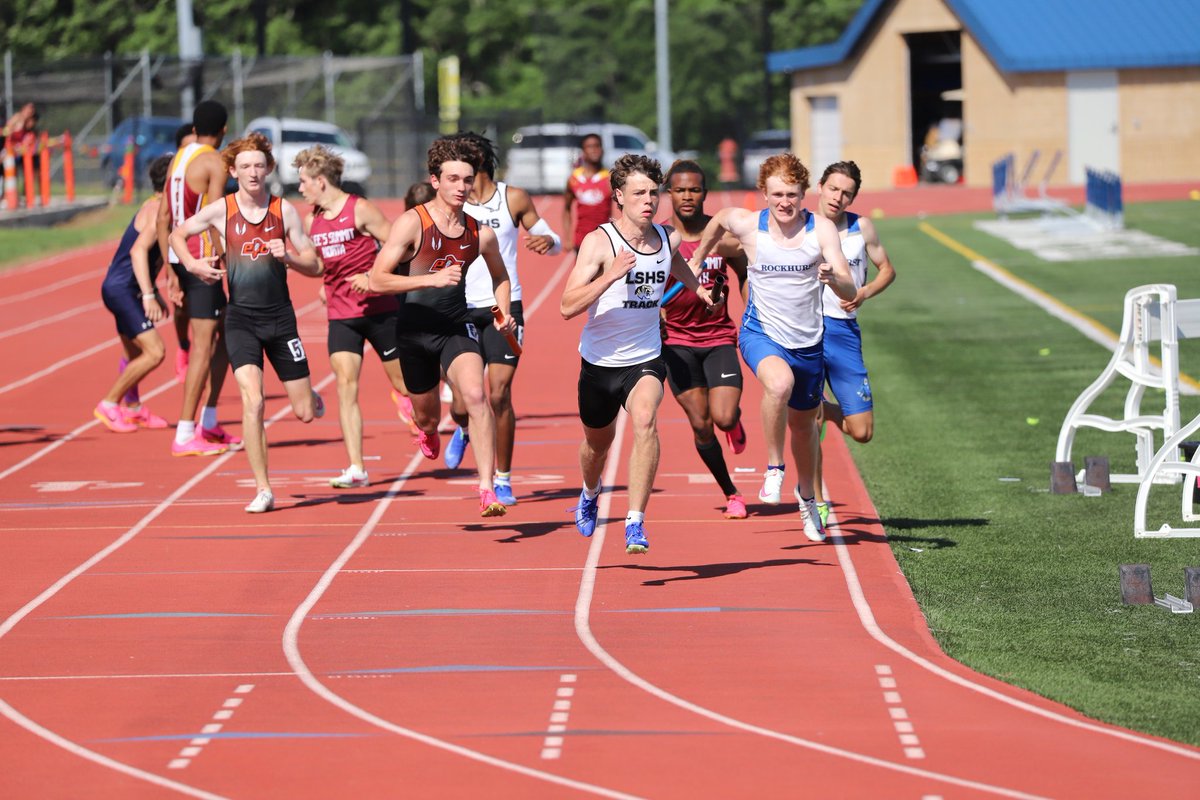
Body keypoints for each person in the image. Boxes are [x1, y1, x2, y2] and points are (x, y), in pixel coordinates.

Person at [687, 153, 855, 543]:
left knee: (804, 429)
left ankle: (808, 499)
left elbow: (849, 288)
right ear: (763, 193)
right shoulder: (748, 226)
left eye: (792, 195)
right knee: (777, 385)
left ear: (803, 195)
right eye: (777, 194)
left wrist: (835, 279)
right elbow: (719, 220)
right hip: (760, 333)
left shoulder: (821, 231)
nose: (785, 203)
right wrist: (697, 258)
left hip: (809, 343)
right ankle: (774, 468)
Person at [560, 153, 714, 555]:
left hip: (645, 357)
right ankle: (590, 492)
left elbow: (674, 262)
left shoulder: (666, 237)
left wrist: (697, 288)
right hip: (599, 362)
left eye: (653, 193)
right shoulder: (599, 242)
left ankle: (635, 521)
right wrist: (610, 275)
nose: (649, 200)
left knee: (646, 419)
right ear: (619, 196)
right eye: (639, 193)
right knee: (596, 445)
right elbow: (566, 306)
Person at [169, 132, 325, 513]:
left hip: (281, 319)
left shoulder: (283, 211)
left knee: (304, 412)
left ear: (269, 169)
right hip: (241, 318)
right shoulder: (222, 209)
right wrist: (192, 264)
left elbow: (316, 264)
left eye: (259, 165)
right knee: (252, 401)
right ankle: (263, 489)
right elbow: (178, 233)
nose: (253, 172)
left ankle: (313, 399)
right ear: (234, 172)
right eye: (245, 167)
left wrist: (287, 256)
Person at [367, 135, 516, 518]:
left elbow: (501, 276)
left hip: (455, 327)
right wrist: (427, 280)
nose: (461, 187)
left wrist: (502, 312)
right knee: (428, 415)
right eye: (453, 179)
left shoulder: (478, 232)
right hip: (414, 332)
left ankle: (486, 489)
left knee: (477, 397)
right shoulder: (411, 224)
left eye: (467, 180)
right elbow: (377, 280)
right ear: (435, 181)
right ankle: (429, 430)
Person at [442, 131, 562, 507]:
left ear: (477, 160)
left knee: (499, 394)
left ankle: (504, 478)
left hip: (503, 306)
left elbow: (550, 237)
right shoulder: (450, 200)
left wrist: (549, 243)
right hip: (459, 307)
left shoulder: (514, 197)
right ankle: (462, 428)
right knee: (464, 400)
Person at [293, 144, 410, 489]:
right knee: (346, 386)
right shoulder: (311, 219)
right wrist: (292, 261)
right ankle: (357, 466)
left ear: (320, 181)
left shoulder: (360, 209)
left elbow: (398, 246)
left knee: (404, 384)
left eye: (303, 181)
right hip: (341, 314)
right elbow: (316, 264)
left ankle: (425, 421)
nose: (300, 188)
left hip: (380, 310)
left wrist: (373, 277)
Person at [660, 160, 751, 520]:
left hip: (718, 338)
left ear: (704, 193)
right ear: (670, 192)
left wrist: (751, 315)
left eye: (694, 189)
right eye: (680, 189)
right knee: (701, 424)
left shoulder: (723, 238)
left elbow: (745, 277)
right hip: (676, 343)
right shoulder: (660, 238)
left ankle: (733, 424)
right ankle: (731, 492)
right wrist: (654, 313)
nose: (687, 196)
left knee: (724, 417)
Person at [811, 161, 896, 526]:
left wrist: (865, 292)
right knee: (809, 423)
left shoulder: (862, 227)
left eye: (846, 192)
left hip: (844, 332)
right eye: (833, 189)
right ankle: (815, 501)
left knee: (862, 431)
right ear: (820, 187)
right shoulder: (802, 227)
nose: (838, 197)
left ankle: (824, 408)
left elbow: (887, 269)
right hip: (807, 331)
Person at [159, 100, 240, 457]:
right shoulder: (213, 161)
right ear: (223, 129)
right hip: (203, 262)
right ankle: (185, 431)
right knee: (204, 348)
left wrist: (169, 268)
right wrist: (232, 261)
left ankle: (208, 421)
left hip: (181, 258)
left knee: (225, 336)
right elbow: (216, 216)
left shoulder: (178, 158)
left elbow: (164, 216)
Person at [94, 155, 175, 432]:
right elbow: (138, 251)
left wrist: (153, 292)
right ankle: (109, 403)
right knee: (155, 352)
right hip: (123, 289)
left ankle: (134, 409)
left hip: (124, 288)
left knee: (133, 352)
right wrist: (149, 294)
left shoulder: (157, 205)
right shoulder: (157, 210)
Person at [168, 121, 198, 381]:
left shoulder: (207, 169)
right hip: (179, 252)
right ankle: (183, 346)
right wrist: (169, 271)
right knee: (182, 306)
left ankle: (202, 363)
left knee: (212, 319)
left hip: (204, 251)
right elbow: (162, 220)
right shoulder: (174, 175)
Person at [561, 133, 613, 256]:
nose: (594, 150)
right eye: (590, 146)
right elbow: (566, 209)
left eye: (597, 146)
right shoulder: (574, 179)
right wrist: (567, 238)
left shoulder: (610, 178)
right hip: (581, 240)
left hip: (604, 239)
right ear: (583, 151)